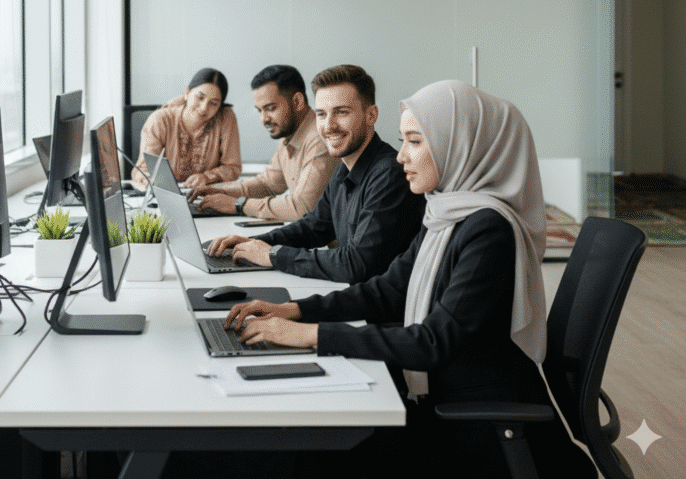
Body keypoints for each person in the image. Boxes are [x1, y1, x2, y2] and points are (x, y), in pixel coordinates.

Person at [224, 80, 596, 478]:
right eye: (403, 140)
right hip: (440, 398)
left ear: (462, 143)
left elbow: (433, 341)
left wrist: (309, 334)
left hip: (471, 425)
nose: (400, 156)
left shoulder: (489, 231)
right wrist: (295, 309)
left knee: (295, 454)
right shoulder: (447, 214)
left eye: (415, 142)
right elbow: (389, 290)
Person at [207, 65, 424, 284]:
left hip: (379, 313)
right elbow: (313, 227)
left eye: (341, 112)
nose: (329, 126)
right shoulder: (345, 168)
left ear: (371, 115)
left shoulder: (389, 175)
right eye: (321, 114)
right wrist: (252, 243)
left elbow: (358, 264)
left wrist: (273, 255)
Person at [187, 65, 338, 220]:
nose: (264, 119)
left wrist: (238, 204)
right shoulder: (289, 137)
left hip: (332, 244)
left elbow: (301, 208)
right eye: (260, 111)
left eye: (270, 108)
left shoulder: (319, 139)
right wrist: (222, 192)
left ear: (298, 102)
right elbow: (268, 184)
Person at [131, 68, 241, 188]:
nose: (204, 107)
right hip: (165, 196)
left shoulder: (225, 117)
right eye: (200, 97)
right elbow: (142, 170)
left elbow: (232, 168)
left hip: (207, 196)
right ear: (187, 92)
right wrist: (151, 181)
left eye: (213, 103)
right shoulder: (160, 120)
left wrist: (207, 177)